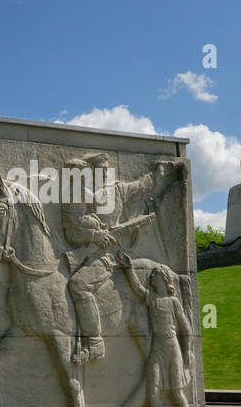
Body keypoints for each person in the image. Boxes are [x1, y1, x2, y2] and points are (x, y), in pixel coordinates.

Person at [62, 152, 178, 364]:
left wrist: (158, 173)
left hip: (109, 256)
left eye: (106, 170)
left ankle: (95, 343)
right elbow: (71, 231)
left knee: (78, 286)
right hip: (88, 251)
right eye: (100, 171)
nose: (105, 174)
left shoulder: (119, 189)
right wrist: (94, 235)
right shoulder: (82, 195)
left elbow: (142, 187)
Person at [121, 264, 204, 407]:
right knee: (152, 392)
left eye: (155, 275)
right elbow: (137, 288)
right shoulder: (151, 298)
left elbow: (185, 327)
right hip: (157, 349)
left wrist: (188, 350)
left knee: (176, 391)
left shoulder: (173, 301)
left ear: (165, 279)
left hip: (172, 347)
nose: (151, 277)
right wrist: (128, 269)